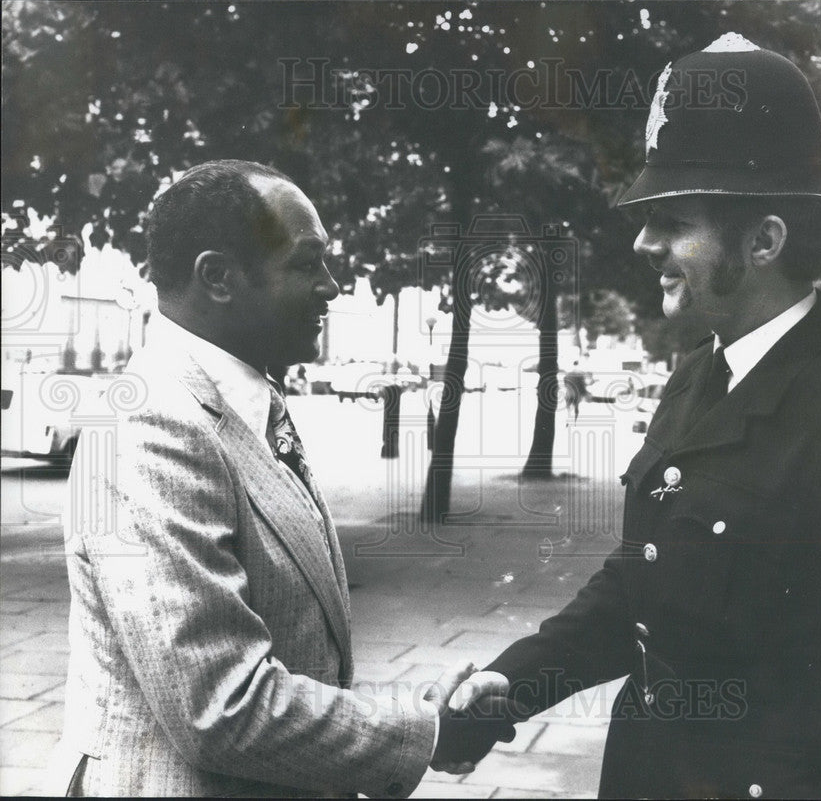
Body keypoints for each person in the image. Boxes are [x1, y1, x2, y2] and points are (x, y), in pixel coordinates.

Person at [449, 34, 821, 798]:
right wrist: (514, 683)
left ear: (765, 239)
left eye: (674, 220)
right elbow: (647, 582)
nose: (644, 242)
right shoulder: (698, 377)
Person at [48, 160, 515, 797]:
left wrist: (413, 718)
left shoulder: (242, 397)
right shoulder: (150, 424)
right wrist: (425, 731)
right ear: (218, 277)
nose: (332, 286)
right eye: (306, 263)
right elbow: (219, 703)